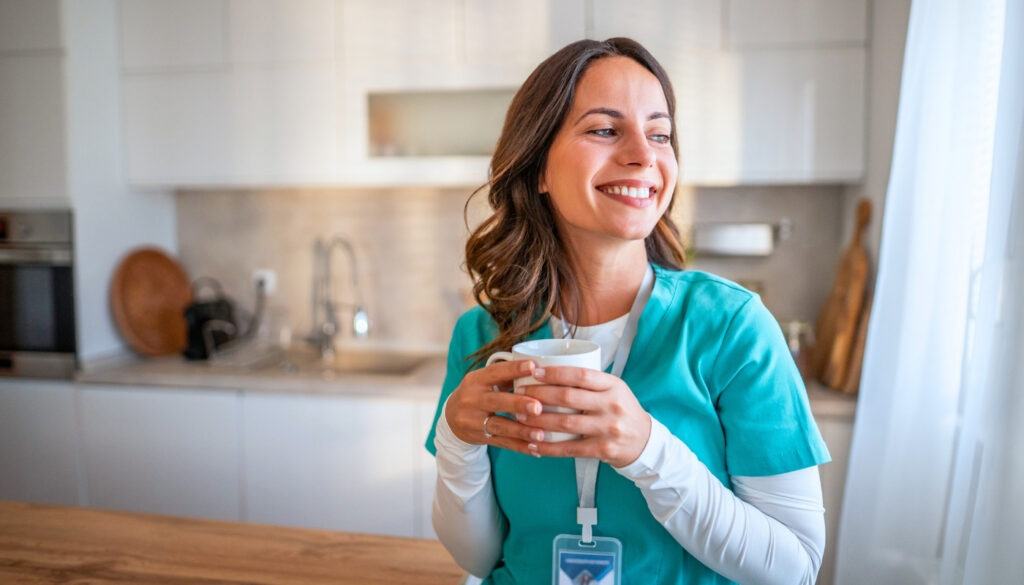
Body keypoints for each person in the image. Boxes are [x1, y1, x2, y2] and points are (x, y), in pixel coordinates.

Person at [425, 37, 831, 585]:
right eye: (604, 129)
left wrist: (648, 451)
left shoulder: (733, 329)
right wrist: (455, 440)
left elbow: (796, 569)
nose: (644, 153)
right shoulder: (482, 337)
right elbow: (478, 559)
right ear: (538, 168)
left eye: (659, 133)